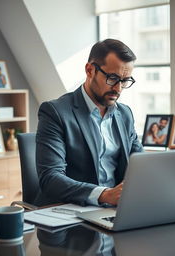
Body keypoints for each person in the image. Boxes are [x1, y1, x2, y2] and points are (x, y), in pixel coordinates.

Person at [35, 39, 144, 207]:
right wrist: (105, 195)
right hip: (72, 212)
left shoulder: (124, 114)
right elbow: (51, 178)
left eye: (125, 81)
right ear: (90, 70)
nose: (118, 88)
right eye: (113, 78)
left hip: (115, 210)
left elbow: (141, 165)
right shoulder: (55, 112)